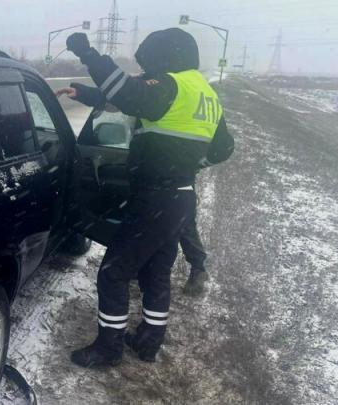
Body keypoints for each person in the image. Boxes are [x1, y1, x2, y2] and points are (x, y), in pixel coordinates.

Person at [57, 28, 234, 367]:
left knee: (113, 272)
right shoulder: (205, 94)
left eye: (149, 63)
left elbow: (127, 91)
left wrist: (87, 53)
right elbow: (224, 148)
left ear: (165, 56)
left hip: (156, 199)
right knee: (155, 272)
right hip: (181, 198)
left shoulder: (170, 84)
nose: (148, 72)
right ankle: (148, 342)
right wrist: (192, 166)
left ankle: (108, 349)